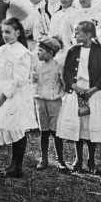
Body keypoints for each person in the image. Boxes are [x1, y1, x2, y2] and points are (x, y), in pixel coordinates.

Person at [0, 18, 38, 178]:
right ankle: (12, 164)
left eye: (8, 32)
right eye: (3, 32)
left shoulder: (22, 53)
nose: (5, 35)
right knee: (8, 125)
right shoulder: (1, 50)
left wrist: (4, 95)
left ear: (17, 33)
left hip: (14, 95)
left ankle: (18, 166)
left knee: (17, 128)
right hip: (0, 92)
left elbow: (20, 79)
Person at [56, 21, 101, 174]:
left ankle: (91, 160)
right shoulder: (73, 51)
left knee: (91, 127)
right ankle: (78, 159)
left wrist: (92, 89)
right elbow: (66, 73)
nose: (74, 36)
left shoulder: (100, 51)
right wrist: (75, 87)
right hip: (77, 91)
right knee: (78, 126)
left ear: (88, 35)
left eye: (78, 33)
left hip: (93, 93)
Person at [33, 37, 66, 171]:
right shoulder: (36, 66)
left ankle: (60, 159)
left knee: (56, 131)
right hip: (40, 101)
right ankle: (44, 158)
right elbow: (33, 82)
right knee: (44, 131)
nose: (37, 53)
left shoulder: (58, 66)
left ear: (50, 52)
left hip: (54, 102)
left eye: (40, 51)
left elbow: (64, 83)